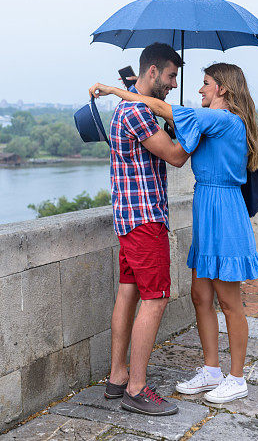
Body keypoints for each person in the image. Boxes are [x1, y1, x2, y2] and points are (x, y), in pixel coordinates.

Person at [90, 62, 258, 404]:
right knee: (200, 296)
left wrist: (115, 91)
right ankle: (212, 370)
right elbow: (179, 130)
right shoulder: (209, 121)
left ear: (223, 90)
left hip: (225, 212)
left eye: (205, 83)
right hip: (206, 207)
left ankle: (237, 377)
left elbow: (161, 108)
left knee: (229, 301)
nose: (200, 89)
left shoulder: (224, 118)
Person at [101, 42, 189, 416]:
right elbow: (175, 156)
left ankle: (117, 377)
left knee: (128, 294)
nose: (172, 84)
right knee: (156, 298)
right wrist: (190, 127)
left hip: (127, 217)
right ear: (151, 72)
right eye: (170, 76)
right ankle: (136, 389)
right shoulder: (138, 111)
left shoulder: (127, 108)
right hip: (145, 220)